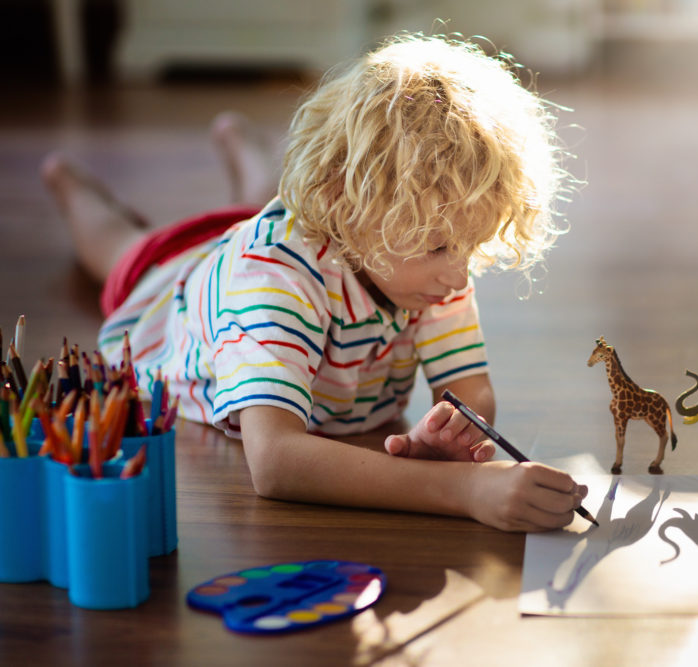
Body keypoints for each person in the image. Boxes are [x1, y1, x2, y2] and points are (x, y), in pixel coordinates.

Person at [41, 33, 586, 532]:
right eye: (441, 247)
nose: (460, 272)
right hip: (174, 286)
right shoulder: (272, 280)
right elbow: (277, 463)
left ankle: (243, 147)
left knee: (252, 202)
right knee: (119, 248)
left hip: (279, 236)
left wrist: (447, 439)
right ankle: (68, 181)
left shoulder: (426, 265)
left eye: (469, 246)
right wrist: (464, 489)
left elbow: (470, 394)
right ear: (342, 207)